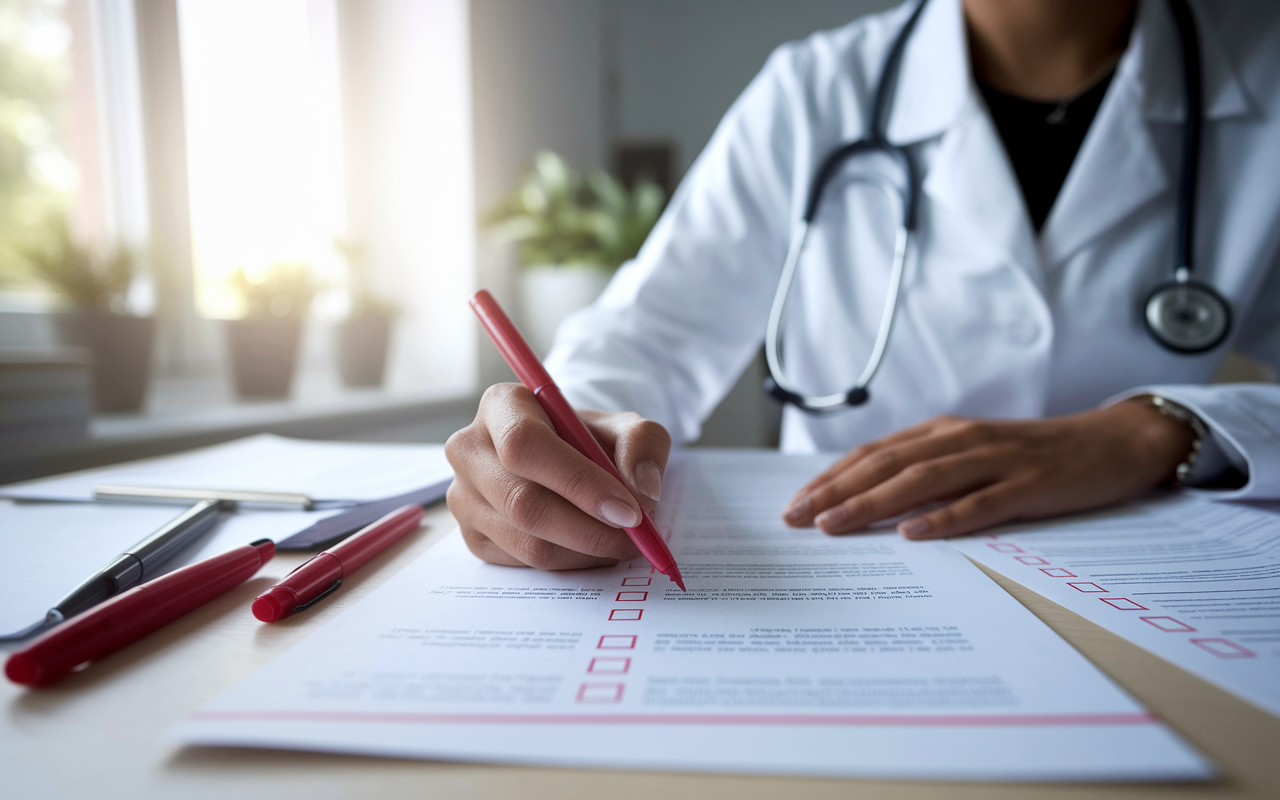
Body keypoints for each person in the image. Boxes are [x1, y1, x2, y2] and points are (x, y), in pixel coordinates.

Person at [446, 0, 1280, 571]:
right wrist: (569, 437)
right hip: (850, 558)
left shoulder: (1265, 84)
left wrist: (1159, 432)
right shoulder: (813, 92)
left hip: (1150, 582)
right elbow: (648, 336)